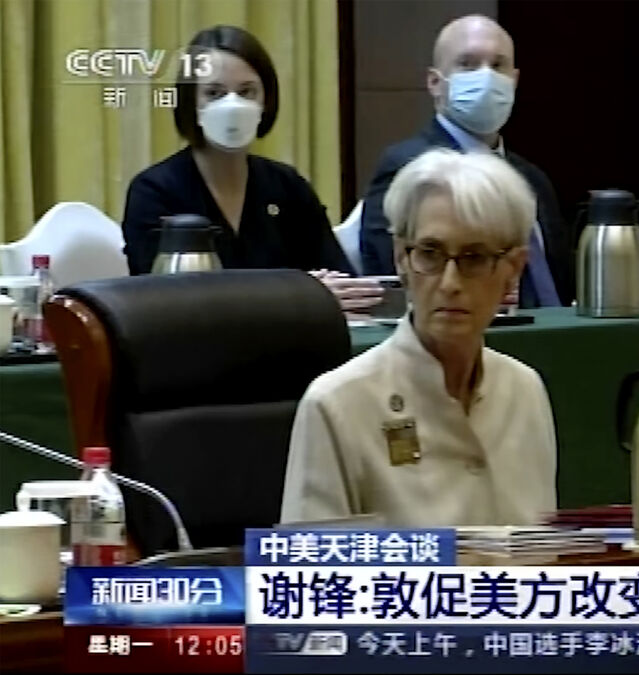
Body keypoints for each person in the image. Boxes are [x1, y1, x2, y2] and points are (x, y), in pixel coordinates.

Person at [280, 148, 558, 525]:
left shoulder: (525, 390)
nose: (450, 283)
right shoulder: (337, 404)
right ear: (401, 260)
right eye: (430, 254)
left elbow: (541, 549)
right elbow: (313, 562)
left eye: (474, 258)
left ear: (513, 270)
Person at [122, 25, 381, 312]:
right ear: (190, 103)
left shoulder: (288, 186)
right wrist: (296, 294)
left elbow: (341, 282)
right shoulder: (155, 191)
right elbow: (161, 299)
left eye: (247, 92)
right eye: (214, 93)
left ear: (266, 101)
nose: (233, 106)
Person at [358, 14, 572, 308]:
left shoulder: (532, 178)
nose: (486, 78)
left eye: (497, 65)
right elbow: (396, 279)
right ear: (435, 83)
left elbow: (562, 282)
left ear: (514, 80)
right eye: (468, 64)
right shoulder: (409, 169)